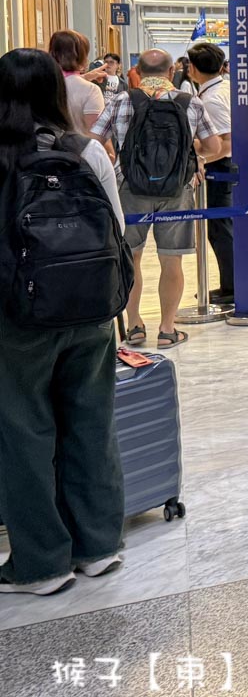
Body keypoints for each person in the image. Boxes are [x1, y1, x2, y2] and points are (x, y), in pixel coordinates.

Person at [0, 48, 125, 595]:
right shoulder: (86, 150)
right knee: (92, 424)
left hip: (18, 318)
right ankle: (99, 546)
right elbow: (116, 228)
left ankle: (42, 563)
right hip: (91, 310)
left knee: (23, 434)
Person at [93, 48, 220, 349]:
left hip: (130, 187)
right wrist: (193, 156)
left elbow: (94, 139)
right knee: (171, 260)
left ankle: (135, 325)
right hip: (177, 190)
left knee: (131, 257)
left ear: (137, 71)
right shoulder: (190, 102)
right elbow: (214, 146)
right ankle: (166, 329)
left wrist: (114, 158)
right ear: (171, 71)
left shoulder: (122, 100)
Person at [186, 42, 234, 307]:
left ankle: (233, 286)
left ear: (193, 69)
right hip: (223, 166)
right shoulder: (223, 89)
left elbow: (227, 142)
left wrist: (201, 159)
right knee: (221, 227)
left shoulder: (212, 99)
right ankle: (231, 283)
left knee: (220, 228)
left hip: (220, 167)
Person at [49, 29, 105, 135]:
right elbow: (96, 135)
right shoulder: (91, 90)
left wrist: (85, 77)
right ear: (81, 56)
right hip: (78, 145)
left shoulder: (40, 84)